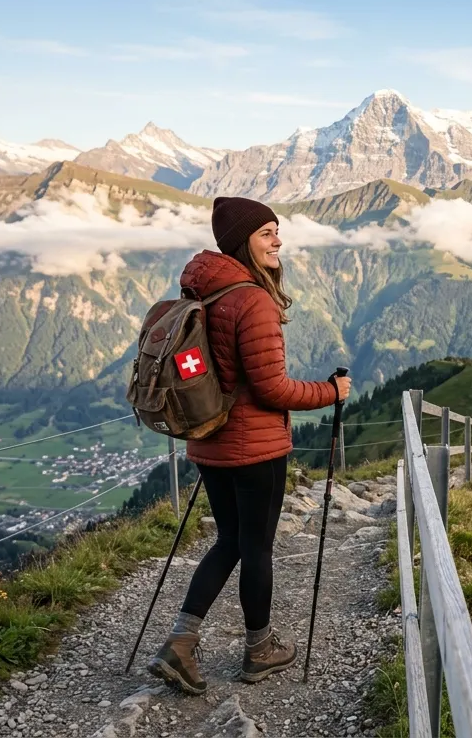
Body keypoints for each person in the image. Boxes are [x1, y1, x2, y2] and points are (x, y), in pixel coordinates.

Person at [147, 196, 351, 695]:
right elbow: (272, 389)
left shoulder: (203, 291)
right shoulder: (252, 300)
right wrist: (331, 392)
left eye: (276, 231)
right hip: (255, 447)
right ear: (243, 241)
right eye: (266, 233)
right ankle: (259, 650)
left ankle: (181, 641)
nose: (277, 240)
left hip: (210, 440)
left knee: (229, 542)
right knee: (256, 548)